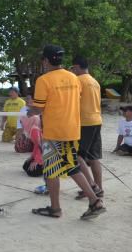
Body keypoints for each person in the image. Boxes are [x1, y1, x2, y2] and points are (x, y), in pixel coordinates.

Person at [30, 44, 105, 220]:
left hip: (54, 132)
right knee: (64, 168)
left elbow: (38, 109)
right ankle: (85, 203)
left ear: (46, 60)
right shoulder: (74, 78)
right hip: (71, 130)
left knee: (59, 169)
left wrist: (30, 110)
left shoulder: (44, 80)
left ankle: (68, 207)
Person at [69, 57, 104, 199]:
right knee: (94, 157)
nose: (72, 71)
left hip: (84, 122)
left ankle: (91, 187)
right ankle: (99, 188)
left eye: (72, 68)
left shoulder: (78, 81)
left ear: (77, 67)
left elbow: (72, 101)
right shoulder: (94, 81)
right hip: (96, 120)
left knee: (77, 156)